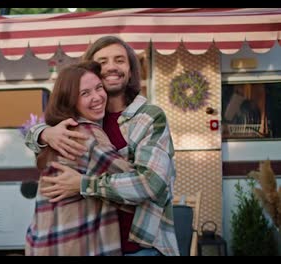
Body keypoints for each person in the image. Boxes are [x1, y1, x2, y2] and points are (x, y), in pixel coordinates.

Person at [25, 36, 179, 256]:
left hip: (140, 245)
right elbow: (38, 142)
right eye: (103, 62)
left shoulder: (148, 116)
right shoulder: (86, 118)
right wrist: (43, 133)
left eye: (119, 60)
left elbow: (151, 183)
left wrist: (83, 184)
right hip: (96, 244)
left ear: (130, 69)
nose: (112, 67)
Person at [25, 61, 136, 256]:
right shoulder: (86, 134)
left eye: (99, 88)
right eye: (85, 93)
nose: (97, 97)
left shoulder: (59, 132)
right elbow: (136, 187)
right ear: (70, 100)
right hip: (77, 244)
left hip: (43, 243)